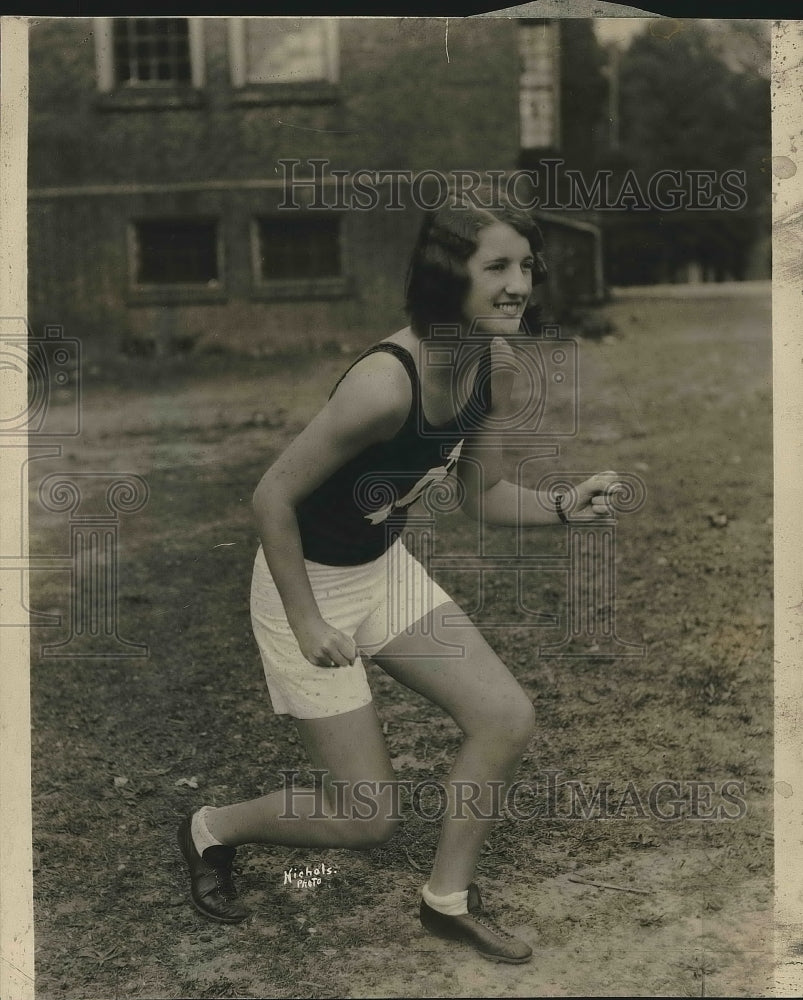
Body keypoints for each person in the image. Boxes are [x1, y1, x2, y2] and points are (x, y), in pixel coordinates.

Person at [178, 190, 621, 964]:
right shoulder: (384, 385)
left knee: (504, 717)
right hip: (304, 588)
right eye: (497, 267)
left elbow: (480, 496)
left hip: (382, 571)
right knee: (364, 818)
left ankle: (446, 899)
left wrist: (561, 507)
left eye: (526, 265)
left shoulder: (495, 363)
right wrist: (311, 621)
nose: (519, 283)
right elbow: (271, 497)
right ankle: (210, 827)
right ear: (448, 275)